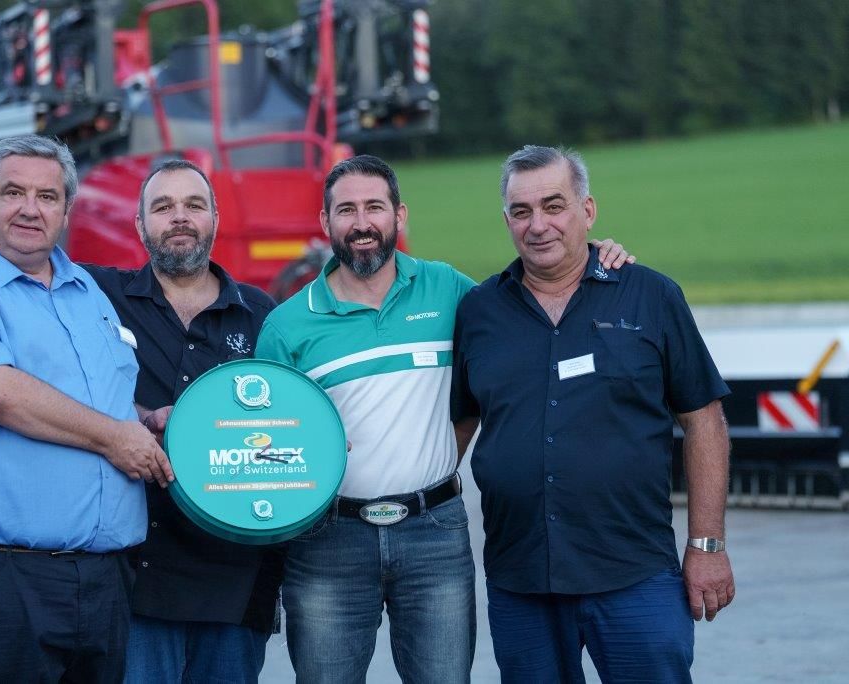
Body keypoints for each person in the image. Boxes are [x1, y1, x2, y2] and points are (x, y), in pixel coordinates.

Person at [0, 158, 281, 682]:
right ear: (140, 225)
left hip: (229, 578)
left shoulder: (260, 313)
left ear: (216, 217)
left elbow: (288, 414)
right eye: (163, 206)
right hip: (142, 581)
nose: (180, 217)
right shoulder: (99, 293)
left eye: (194, 205)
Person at [254, 154, 632, 683]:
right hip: (328, 542)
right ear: (325, 222)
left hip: (433, 534)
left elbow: (532, 297)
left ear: (399, 215)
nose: (362, 223)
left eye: (374, 207)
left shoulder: (449, 290)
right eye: (346, 210)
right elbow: (267, 444)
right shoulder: (286, 326)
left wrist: (594, 254)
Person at [451, 145, 735, 683]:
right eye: (521, 211)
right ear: (507, 220)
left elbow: (704, 420)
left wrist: (707, 545)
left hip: (634, 575)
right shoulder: (479, 311)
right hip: (521, 580)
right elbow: (456, 427)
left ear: (588, 210)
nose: (538, 225)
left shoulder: (651, 296)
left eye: (554, 205)